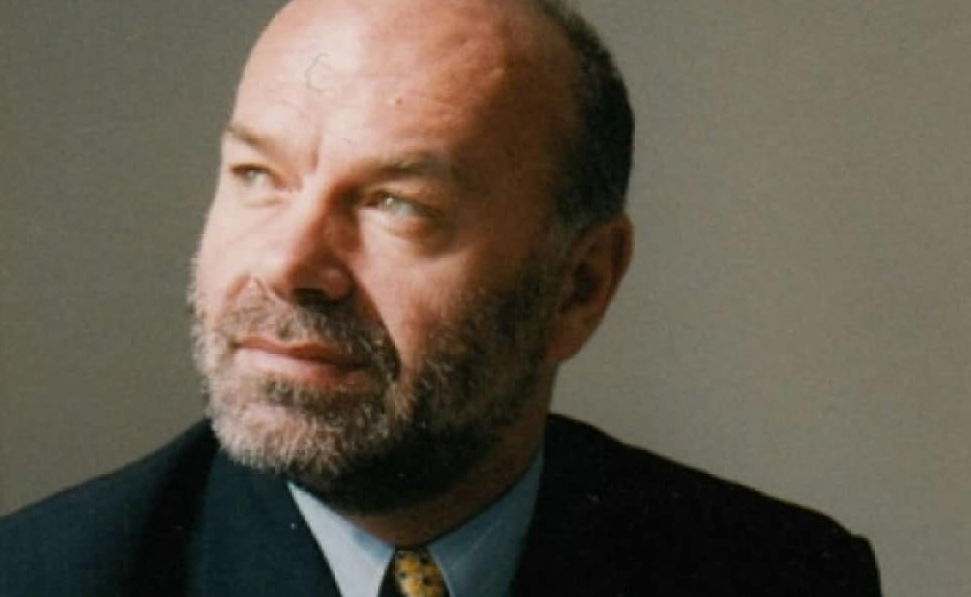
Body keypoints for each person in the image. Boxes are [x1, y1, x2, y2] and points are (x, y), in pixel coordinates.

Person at [0, 0, 881, 595]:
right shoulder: (40, 578)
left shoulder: (783, 575)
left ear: (579, 285)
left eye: (397, 203)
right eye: (258, 175)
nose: (287, 263)